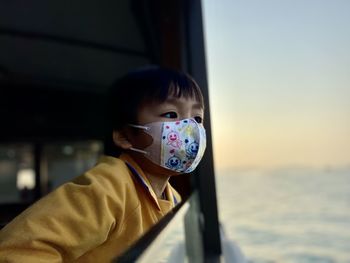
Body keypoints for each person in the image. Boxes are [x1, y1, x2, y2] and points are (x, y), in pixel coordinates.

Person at [0, 66, 207, 262]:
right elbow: (14, 251)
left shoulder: (174, 198)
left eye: (197, 118)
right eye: (171, 114)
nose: (190, 128)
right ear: (125, 136)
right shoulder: (108, 188)